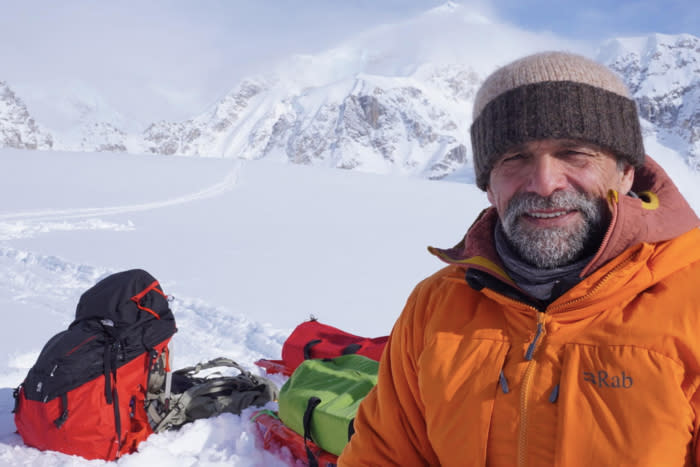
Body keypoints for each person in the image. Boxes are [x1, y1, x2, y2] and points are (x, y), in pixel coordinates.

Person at [338, 51, 700, 466]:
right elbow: (383, 455)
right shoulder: (435, 307)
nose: (544, 183)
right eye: (515, 158)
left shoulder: (692, 302)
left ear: (626, 172)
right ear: (489, 186)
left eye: (575, 152)